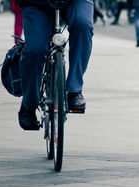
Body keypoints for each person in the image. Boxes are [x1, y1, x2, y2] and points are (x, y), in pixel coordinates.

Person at [18, 0, 94, 130]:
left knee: (83, 25)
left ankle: (74, 90)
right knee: (34, 50)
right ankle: (29, 103)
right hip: (37, 3)